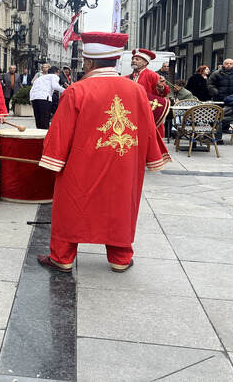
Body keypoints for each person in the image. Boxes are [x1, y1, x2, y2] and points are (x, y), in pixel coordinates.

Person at [37, 32, 169, 274]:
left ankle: (62, 257)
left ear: (88, 62)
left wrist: (52, 160)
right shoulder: (136, 90)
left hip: (81, 164)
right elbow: (148, 129)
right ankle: (120, 258)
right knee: (119, 205)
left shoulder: (76, 91)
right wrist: (151, 156)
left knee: (70, 205)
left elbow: (61, 132)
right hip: (124, 162)